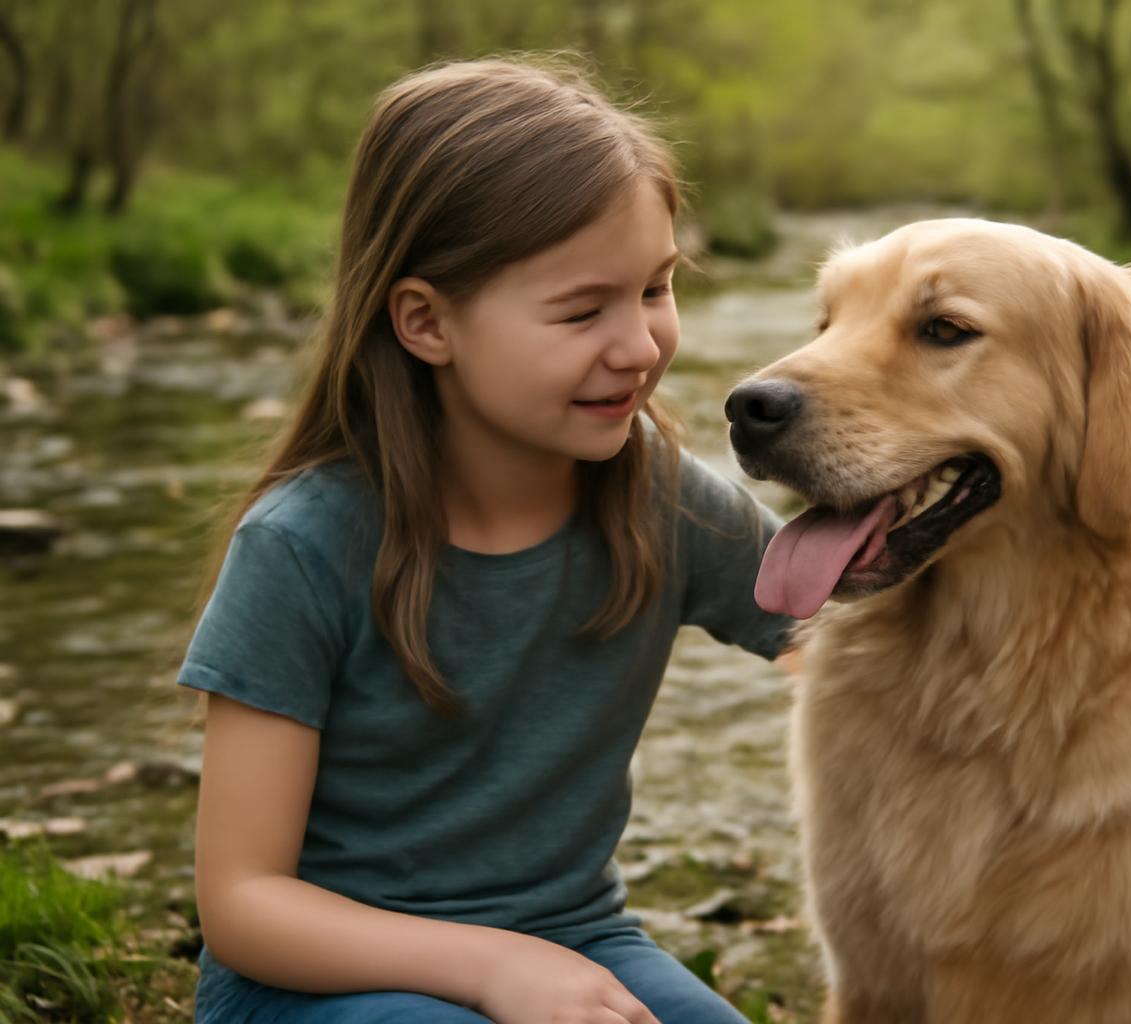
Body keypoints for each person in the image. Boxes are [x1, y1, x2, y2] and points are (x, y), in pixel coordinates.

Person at [179, 57, 795, 1024]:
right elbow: (243, 903)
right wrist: (493, 970)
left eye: (656, 289)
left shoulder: (660, 498)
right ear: (427, 322)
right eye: (582, 311)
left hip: (577, 938)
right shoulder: (301, 547)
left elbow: (857, 639)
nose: (640, 346)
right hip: (315, 983)